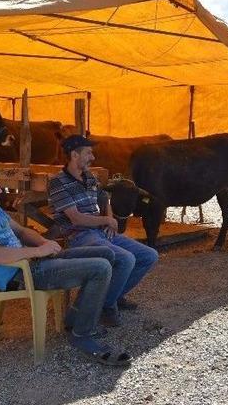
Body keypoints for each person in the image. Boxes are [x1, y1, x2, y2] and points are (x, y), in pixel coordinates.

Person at [0, 162, 131, 367]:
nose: (0, 190)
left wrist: (43, 242)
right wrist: (38, 251)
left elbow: (21, 231)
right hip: (22, 274)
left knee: (107, 253)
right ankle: (81, 335)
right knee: (101, 268)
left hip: (35, 262)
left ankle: (76, 318)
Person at [48, 134, 159, 327]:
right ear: (75, 155)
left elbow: (103, 197)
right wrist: (106, 219)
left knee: (149, 255)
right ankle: (106, 306)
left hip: (99, 232)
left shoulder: (89, 177)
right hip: (78, 236)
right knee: (126, 259)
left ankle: (112, 296)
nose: (92, 157)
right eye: (88, 153)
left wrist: (108, 220)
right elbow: (75, 218)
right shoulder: (58, 182)